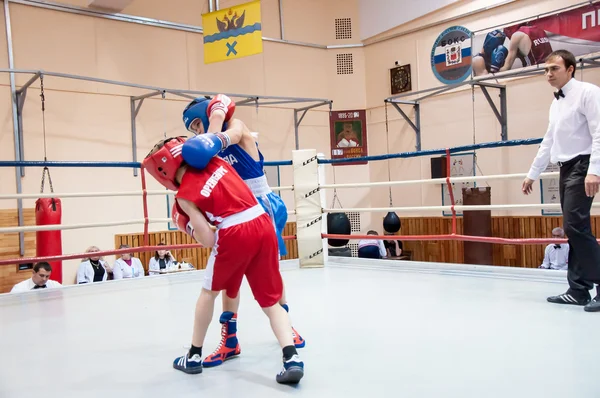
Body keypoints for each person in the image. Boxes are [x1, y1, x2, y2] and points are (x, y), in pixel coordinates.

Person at [142, 136, 304, 384]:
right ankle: (291, 358)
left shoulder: (183, 196)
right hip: (262, 223)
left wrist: (193, 228)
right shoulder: (217, 161)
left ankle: (194, 355)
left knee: (209, 293)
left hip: (233, 232)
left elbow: (207, 239)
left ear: (165, 172)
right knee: (271, 302)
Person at [182, 95, 305, 367]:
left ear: (207, 116)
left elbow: (230, 134)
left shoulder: (234, 126)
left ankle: (288, 327)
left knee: (271, 272)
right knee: (230, 278)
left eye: (196, 126)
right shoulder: (208, 147)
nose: (197, 133)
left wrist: (215, 120)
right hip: (235, 213)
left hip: (262, 207)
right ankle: (230, 339)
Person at [522, 49, 600, 312]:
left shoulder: (589, 93)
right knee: (574, 227)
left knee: (575, 225)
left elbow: (599, 132)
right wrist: (533, 173)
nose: (548, 74)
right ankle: (578, 290)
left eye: (554, 68)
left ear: (570, 69)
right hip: (566, 167)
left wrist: (595, 170)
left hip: (584, 164)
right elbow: (549, 140)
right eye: (545, 70)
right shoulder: (556, 103)